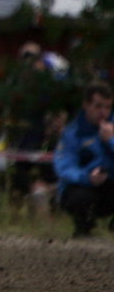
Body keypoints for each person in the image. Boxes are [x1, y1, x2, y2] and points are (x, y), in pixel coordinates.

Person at [54, 82, 114, 238]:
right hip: (82, 186)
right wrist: (87, 177)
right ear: (86, 105)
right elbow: (64, 167)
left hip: (110, 184)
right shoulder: (72, 133)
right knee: (80, 196)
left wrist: (111, 141)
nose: (103, 112)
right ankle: (83, 230)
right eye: (98, 106)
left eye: (107, 107)